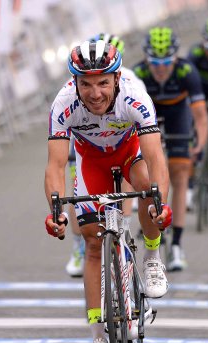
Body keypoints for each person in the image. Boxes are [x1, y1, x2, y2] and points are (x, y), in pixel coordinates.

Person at [44, 40, 172, 343]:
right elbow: (56, 165)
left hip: (130, 154)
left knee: (147, 189)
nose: (95, 93)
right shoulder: (63, 104)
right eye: (85, 83)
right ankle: (98, 339)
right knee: (91, 242)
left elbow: (156, 158)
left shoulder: (135, 98)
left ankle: (153, 257)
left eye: (102, 82)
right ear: (75, 83)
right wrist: (56, 211)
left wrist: (160, 203)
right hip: (91, 162)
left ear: (116, 79)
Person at [64, 32, 145, 277]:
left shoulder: (131, 81)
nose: (96, 87)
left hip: (123, 140)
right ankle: (79, 245)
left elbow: (144, 122)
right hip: (87, 141)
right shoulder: (75, 88)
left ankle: (125, 226)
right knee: (75, 188)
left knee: (132, 175)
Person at [132, 27, 208, 271]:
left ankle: (176, 244)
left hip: (177, 113)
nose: (161, 68)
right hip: (148, 115)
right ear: (146, 59)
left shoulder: (187, 71)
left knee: (179, 173)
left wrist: (201, 142)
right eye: (155, 62)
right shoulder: (138, 73)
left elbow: (200, 115)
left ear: (175, 58)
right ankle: (149, 218)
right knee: (145, 171)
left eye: (167, 62)